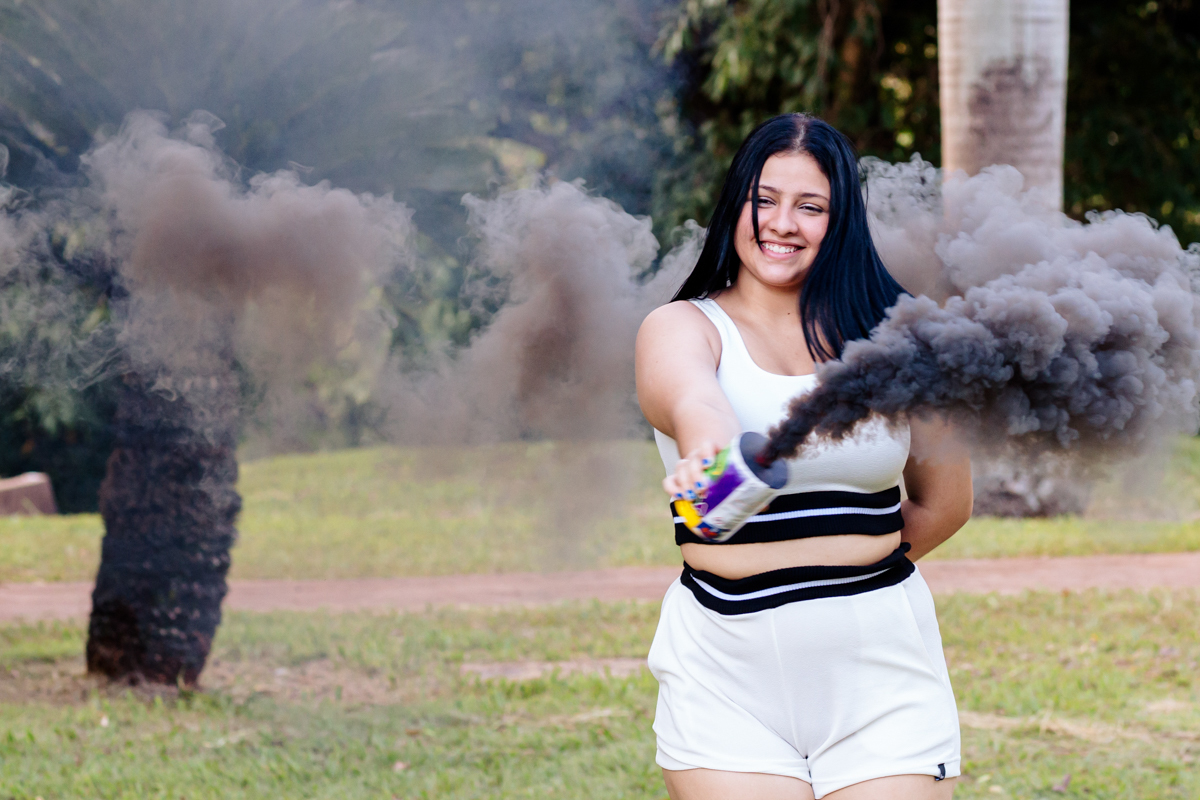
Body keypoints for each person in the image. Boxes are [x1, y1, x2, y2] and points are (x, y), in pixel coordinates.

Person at [635, 113, 974, 800]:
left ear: (840, 218)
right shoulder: (682, 326)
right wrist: (715, 452)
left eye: (810, 206)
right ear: (735, 205)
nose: (781, 223)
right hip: (725, 678)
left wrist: (845, 574)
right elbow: (695, 399)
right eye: (764, 199)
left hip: (883, 676)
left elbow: (947, 503)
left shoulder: (901, 334)